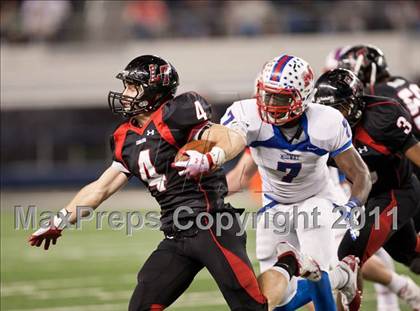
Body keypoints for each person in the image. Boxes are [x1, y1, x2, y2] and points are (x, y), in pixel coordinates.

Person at [29, 54, 281, 311]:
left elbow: (231, 137)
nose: (125, 94)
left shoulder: (176, 113)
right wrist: (59, 220)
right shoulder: (123, 137)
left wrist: (211, 157)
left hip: (212, 224)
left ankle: (288, 266)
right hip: (176, 234)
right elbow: (101, 187)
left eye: (132, 87)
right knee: (141, 307)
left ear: (152, 92)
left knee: (252, 308)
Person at [220, 54, 372, 311]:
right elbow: (228, 146)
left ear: (302, 97)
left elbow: (361, 175)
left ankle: (331, 277)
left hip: (317, 198)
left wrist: (353, 206)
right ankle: (344, 275)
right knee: (275, 302)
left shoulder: (326, 122)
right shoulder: (249, 116)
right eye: (266, 95)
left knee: (315, 270)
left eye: (279, 98)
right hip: (274, 203)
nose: (269, 104)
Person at [314, 68, 420, 274]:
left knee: (348, 255)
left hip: (399, 191)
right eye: (327, 111)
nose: (334, 119)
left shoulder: (383, 117)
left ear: (356, 103)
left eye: (339, 109)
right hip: (371, 198)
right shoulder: (320, 130)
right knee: (411, 256)